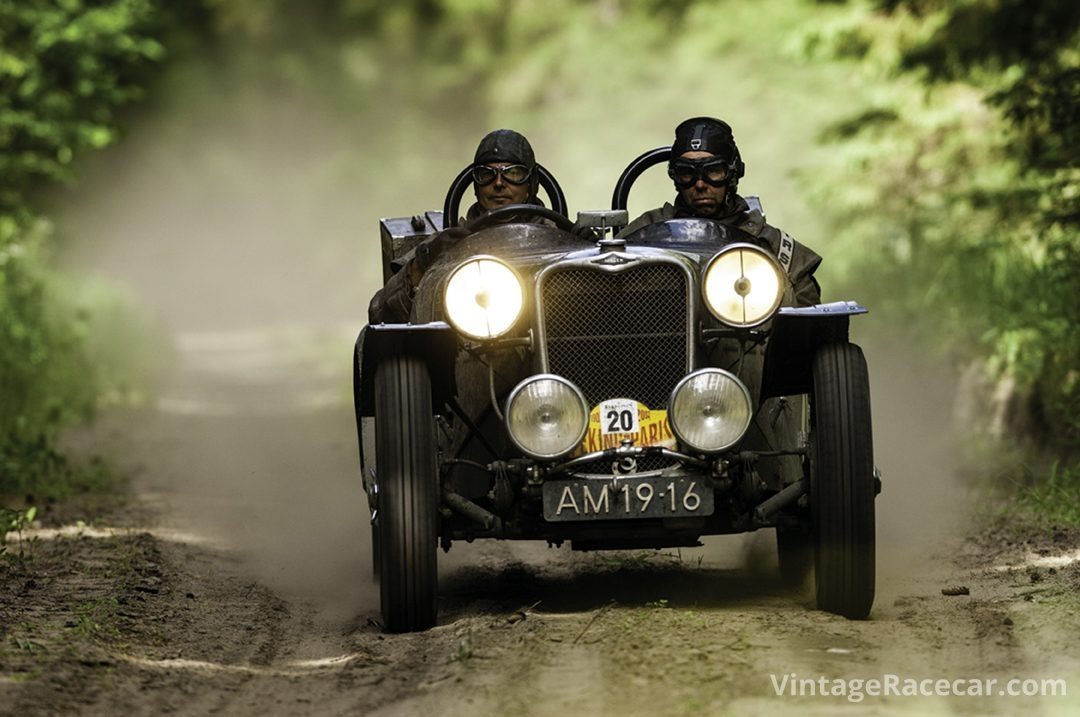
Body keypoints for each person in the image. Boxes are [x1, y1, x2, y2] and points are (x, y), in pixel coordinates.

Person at [619, 117, 822, 307]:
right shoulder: (645, 233)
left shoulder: (775, 247)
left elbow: (810, 325)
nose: (700, 184)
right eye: (687, 173)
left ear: (732, 174)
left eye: (713, 171)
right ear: (675, 177)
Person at [368, 129, 543, 324]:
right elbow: (378, 314)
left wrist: (584, 248)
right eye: (486, 174)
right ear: (476, 187)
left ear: (531, 183)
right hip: (466, 349)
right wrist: (423, 264)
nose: (499, 183)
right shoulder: (449, 242)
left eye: (513, 173)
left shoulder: (561, 239)